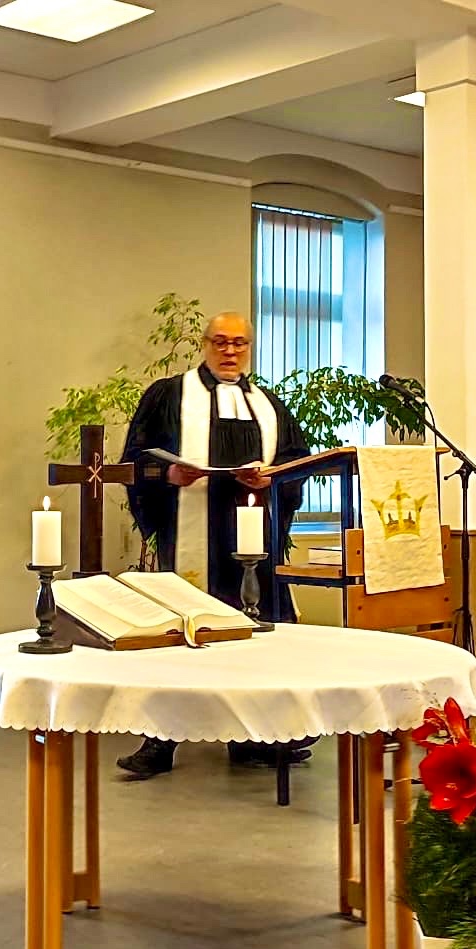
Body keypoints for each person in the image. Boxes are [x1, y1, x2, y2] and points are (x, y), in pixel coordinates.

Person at [117, 311, 313, 777]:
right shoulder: (169, 396)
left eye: (239, 343)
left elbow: (296, 462)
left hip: (251, 537)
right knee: (180, 635)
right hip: (192, 536)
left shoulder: (268, 405)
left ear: (249, 349)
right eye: (220, 342)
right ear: (204, 345)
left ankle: (254, 739)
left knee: (256, 637)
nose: (230, 351)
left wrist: (271, 479)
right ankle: (160, 742)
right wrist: (167, 474)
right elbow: (134, 460)